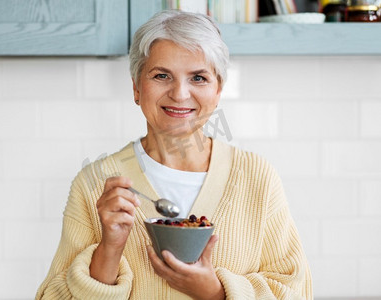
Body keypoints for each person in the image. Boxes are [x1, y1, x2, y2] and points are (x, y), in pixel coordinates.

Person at [35, 10, 313, 300]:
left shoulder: (257, 176)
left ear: (218, 90)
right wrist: (109, 251)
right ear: (136, 88)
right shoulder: (95, 184)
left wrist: (216, 292)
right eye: (162, 75)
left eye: (198, 78)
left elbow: (295, 291)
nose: (180, 93)